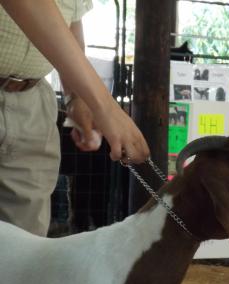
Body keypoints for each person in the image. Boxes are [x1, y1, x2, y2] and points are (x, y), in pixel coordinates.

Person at [0, 0, 150, 236]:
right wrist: (105, 107)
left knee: (26, 243)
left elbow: (70, 18)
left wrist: (76, 97)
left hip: (33, 99)